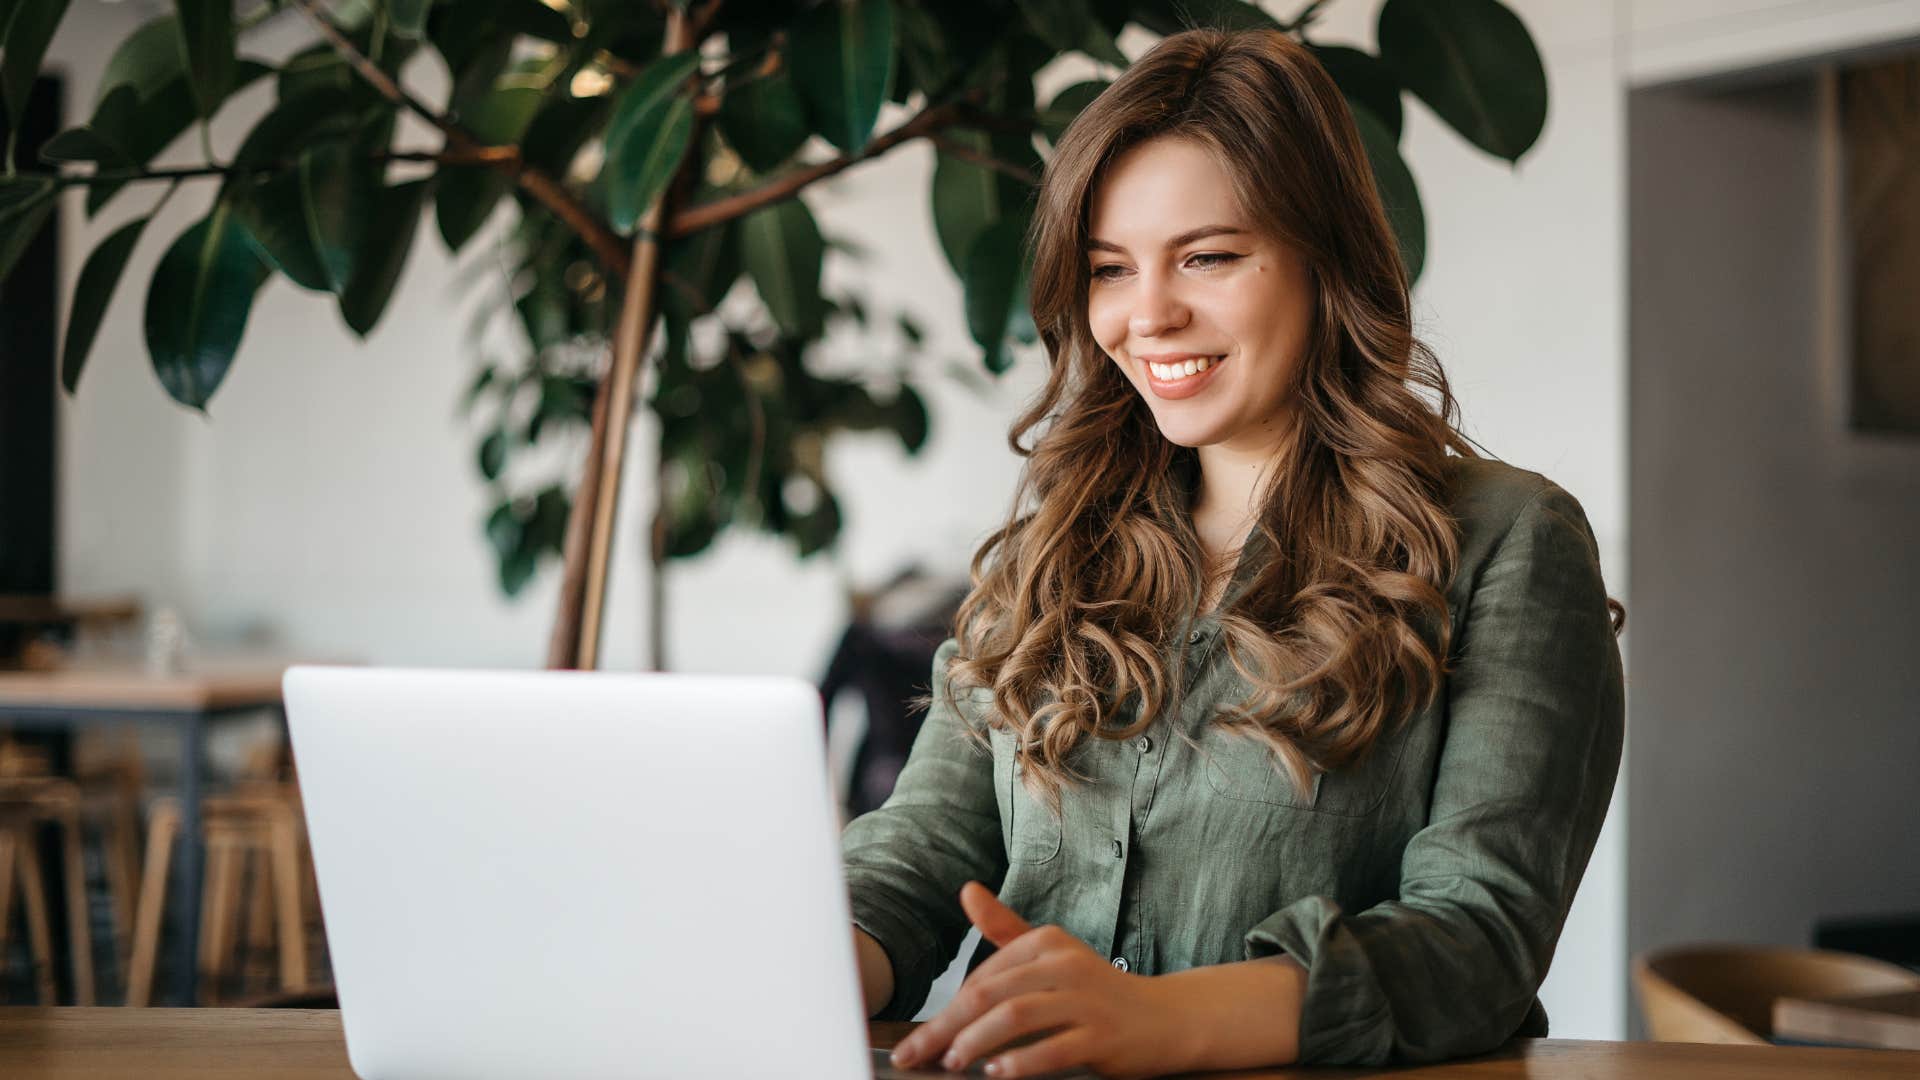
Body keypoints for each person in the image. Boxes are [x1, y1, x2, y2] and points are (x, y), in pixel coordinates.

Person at [842, 26, 1625, 1078]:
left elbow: (1479, 935)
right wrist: (800, 961)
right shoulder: (1050, 552)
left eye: (1208, 257)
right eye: (1110, 270)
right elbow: (923, 849)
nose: (1149, 314)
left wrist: (1159, 1020)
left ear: (1324, 257)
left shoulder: (1505, 543)